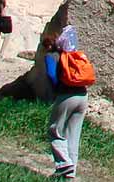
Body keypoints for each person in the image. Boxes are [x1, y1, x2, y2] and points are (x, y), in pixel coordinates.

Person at [44, 30, 89, 179]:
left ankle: (64, 163)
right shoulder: (72, 55)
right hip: (83, 96)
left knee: (54, 130)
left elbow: (51, 75)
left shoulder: (51, 56)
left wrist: (57, 88)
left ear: (48, 45)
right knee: (73, 135)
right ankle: (70, 174)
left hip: (66, 96)